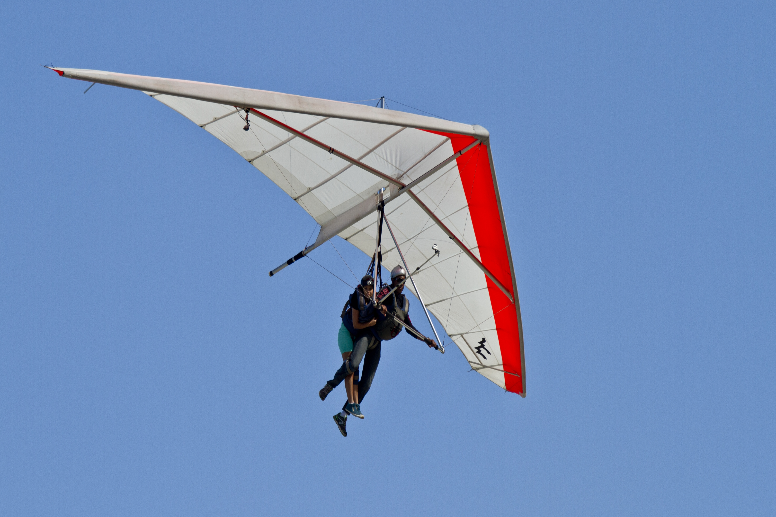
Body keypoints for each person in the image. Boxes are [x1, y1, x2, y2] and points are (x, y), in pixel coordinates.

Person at [319, 266, 437, 437]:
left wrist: (425, 339)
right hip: (367, 334)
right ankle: (330, 385)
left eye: (403, 281)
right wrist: (379, 306)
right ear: (393, 280)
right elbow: (374, 301)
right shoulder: (386, 292)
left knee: (367, 383)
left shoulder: (404, 303)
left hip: (377, 343)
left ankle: (342, 415)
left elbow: (409, 327)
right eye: (398, 280)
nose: (401, 283)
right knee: (353, 364)